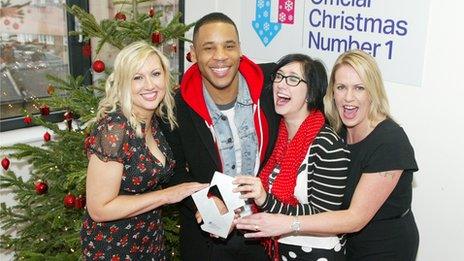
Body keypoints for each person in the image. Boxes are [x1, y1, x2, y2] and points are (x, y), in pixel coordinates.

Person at [235, 49, 420, 260]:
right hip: (346, 242)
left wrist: (287, 223)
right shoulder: (337, 129)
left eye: (359, 88)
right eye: (341, 87)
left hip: (385, 245)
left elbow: (355, 218)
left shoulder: (389, 141)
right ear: (332, 92)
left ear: (373, 92)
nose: (348, 97)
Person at [160, 12, 279, 261]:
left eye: (229, 46)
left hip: (267, 235)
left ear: (239, 50)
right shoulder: (175, 106)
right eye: (209, 48)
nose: (221, 56)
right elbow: (172, 172)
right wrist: (206, 200)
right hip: (208, 239)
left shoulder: (271, 86)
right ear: (194, 53)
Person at [80, 41, 207, 260]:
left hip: (150, 240)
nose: (149, 85)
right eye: (137, 77)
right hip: (114, 248)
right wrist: (167, 196)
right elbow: (99, 208)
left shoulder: (155, 121)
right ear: (123, 83)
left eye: (155, 74)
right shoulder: (115, 129)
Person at [233, 54, 350, 261]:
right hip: (279, 250)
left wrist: (265, 200)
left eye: (293, 79)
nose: (281, 84)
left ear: (311, 92)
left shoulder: (327, 145)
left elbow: (324, 216)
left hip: (315, 254)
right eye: (278, 77)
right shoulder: (277, 135)